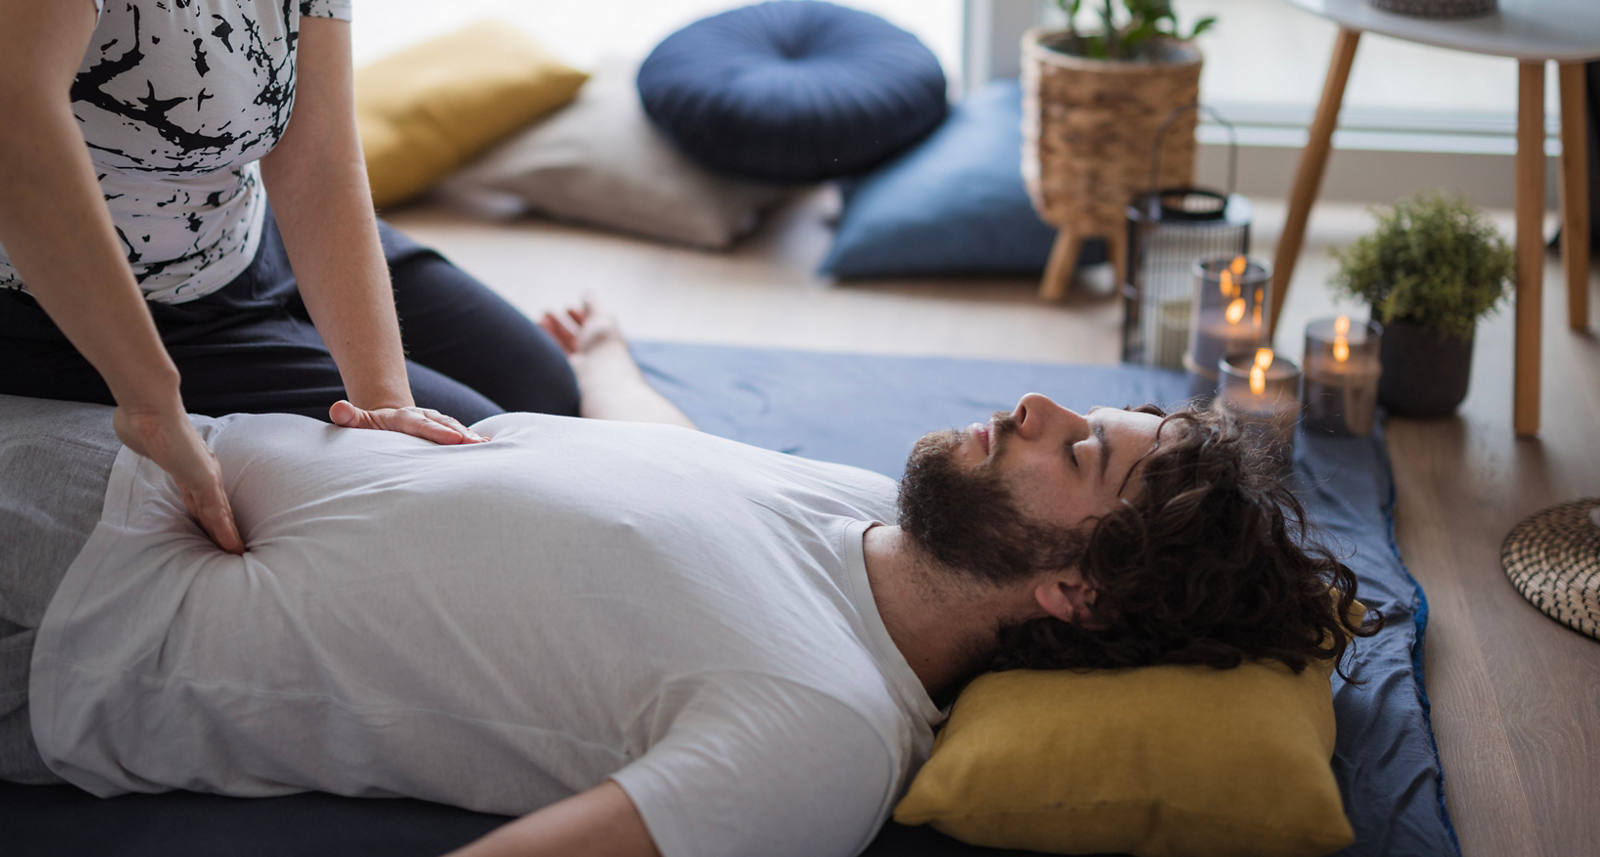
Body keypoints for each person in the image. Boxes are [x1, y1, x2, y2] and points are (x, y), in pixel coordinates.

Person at [0, 307, 1380, 857]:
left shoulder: (823, 735)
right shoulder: (871, 516)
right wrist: (601, 359)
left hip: (88, 614)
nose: (1028, 403)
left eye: (1078, 450)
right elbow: (671, 464)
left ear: (1075, 594)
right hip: (161, 456)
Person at [0, 0, 580, 557]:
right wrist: (152, 404)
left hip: (248, 232)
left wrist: (383, 397)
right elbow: (16, 129)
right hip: (77, 304)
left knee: (541, 389)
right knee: (473, 468)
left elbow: (320, 154)